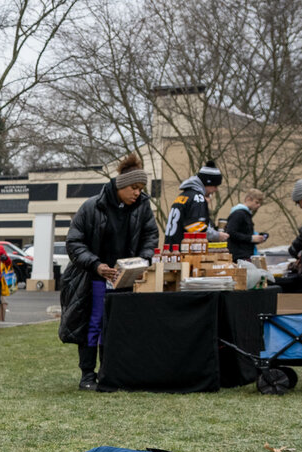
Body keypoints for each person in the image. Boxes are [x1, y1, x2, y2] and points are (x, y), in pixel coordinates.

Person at [60, 153, 159, 391]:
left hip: (127, 279)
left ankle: (110, 372)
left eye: (141, 188)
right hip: (94, 277)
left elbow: (150, 236)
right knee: (92, 325)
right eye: (134, 187)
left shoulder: (143, 207)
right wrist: (97, 265)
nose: (138, 193)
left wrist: (141, 261)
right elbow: (74, 242)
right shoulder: (91, 206)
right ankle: (87, 375)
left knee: (117, 326)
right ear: (121, 185)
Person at [164, 158, 222, 247]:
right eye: (215, 185)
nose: (216, 189)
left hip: (171, 249)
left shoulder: (184, 195)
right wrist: (217, 236)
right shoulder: (197, 198)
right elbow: (196, 227)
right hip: (183, 253)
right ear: (207, 182)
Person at [225, 191, 267, 261]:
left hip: (245, 255)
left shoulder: (246, 214)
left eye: (260, 203)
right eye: (256, 202)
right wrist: (251, 238)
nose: (258, 205)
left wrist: (257, 238)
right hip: (239, 256)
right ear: (248, 199)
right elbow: (231, 232)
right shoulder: (239, 214)